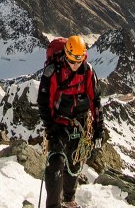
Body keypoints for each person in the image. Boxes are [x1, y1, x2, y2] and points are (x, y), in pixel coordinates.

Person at [37, 35, 106, 208]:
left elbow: (95, 101)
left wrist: (99, 129)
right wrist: (51, 128)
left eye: (77, 61)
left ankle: (69, 199)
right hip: (58, 124)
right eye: (71, 60)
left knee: (74, 162)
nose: (74, 65)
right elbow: (44, 103)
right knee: (55, 163)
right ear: (65, 55)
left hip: (80, 122)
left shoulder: (88, 72)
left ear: (83, 57)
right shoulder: (53, 72)